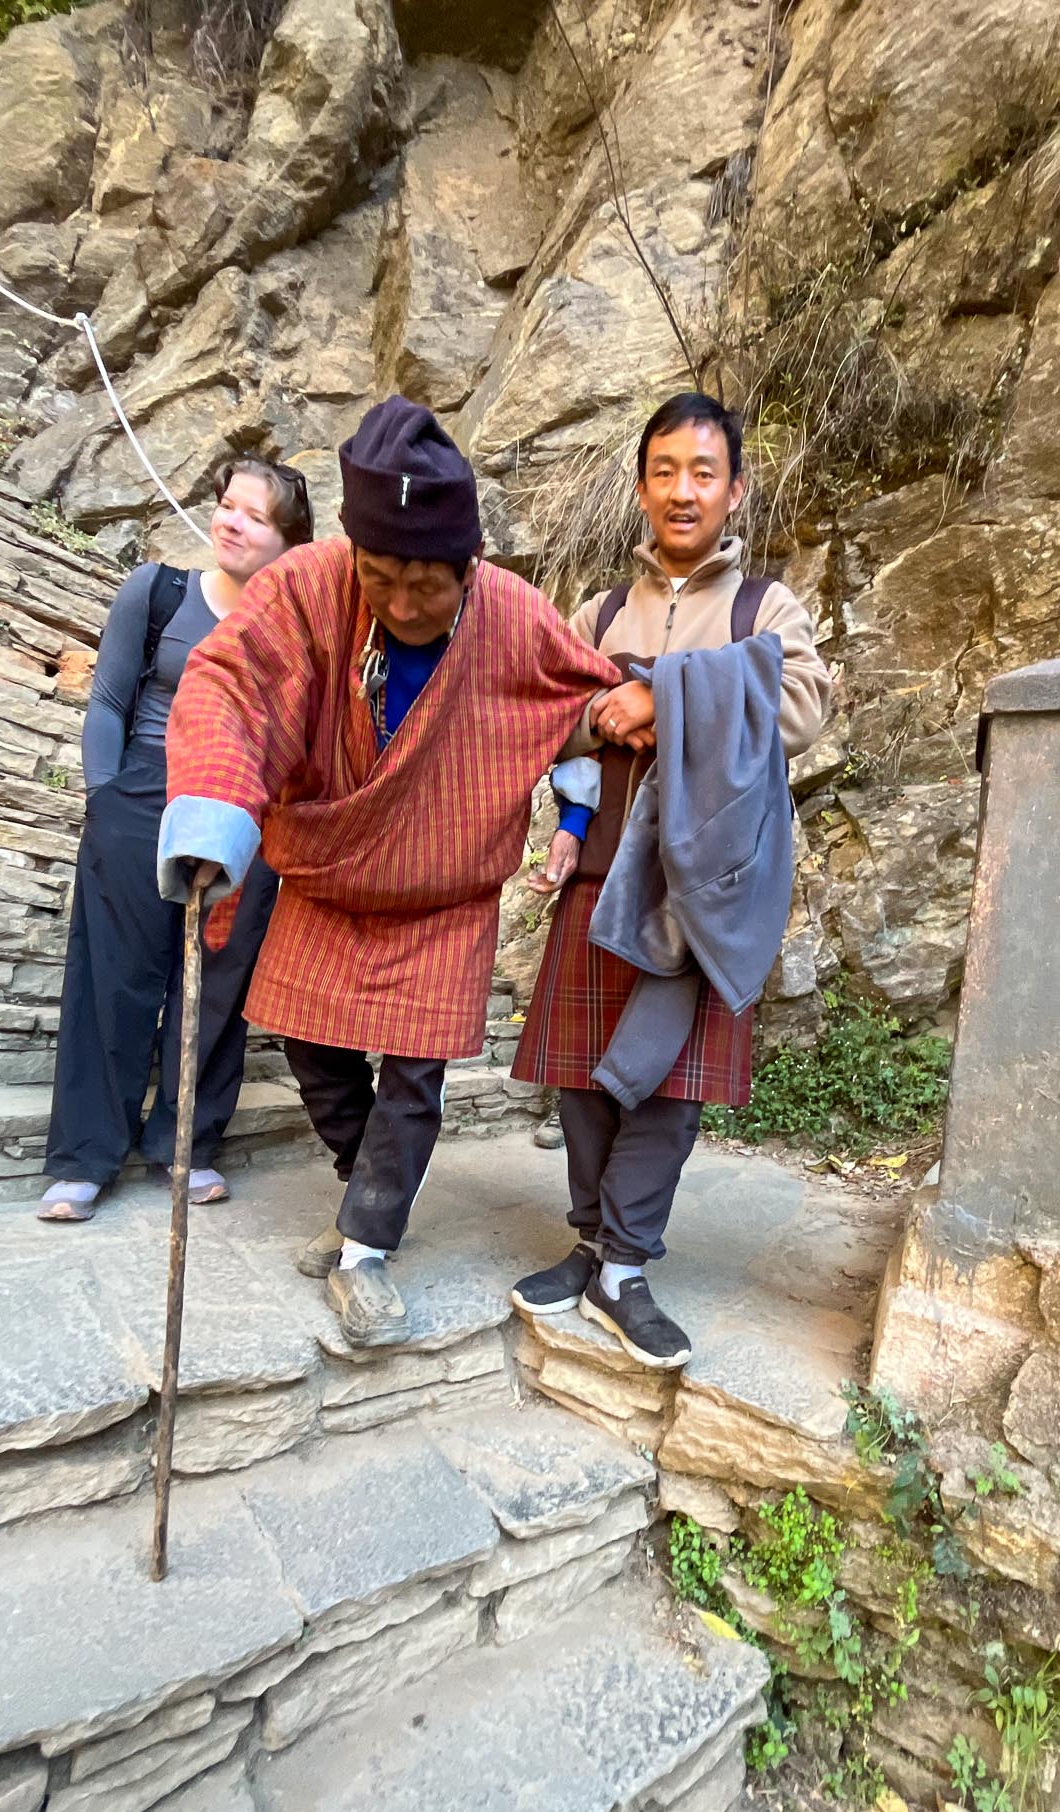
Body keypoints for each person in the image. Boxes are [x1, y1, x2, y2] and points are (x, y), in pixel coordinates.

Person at [159, 396, 619, 1343]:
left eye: (426, 585)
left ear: (469, 563)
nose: (402, 606)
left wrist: (580, 806)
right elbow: (232, 688)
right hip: (330, 871)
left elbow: (583, 705)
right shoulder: (307, 587)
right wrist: (212, 810)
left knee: (413, 1077)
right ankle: (359, 1191)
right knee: (312, 1053)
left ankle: (366, 1248)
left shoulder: (513, 614)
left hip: (445, 889)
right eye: (381, 579)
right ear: (354, 553)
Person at [510, 391, 833, 1368]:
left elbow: (802, 708)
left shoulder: (764, 608)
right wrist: (601, 717)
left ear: (736, 490)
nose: (683, 490)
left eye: (704, 472)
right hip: (604, 861)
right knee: (581, 1075)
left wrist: (666, 697)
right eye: (665, 471)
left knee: (665, 1086)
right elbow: (545, 714)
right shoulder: (601, 612)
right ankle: (587, 1241)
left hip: (699, 880)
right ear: (642, 486)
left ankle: (624, 1266)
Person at [38, 458, 315, 1223]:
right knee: (115, 975)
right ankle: (86, 1154)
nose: (232, 522)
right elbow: (108, 700)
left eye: (256, 516)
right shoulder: (158, 592)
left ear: (289, 542)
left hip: (243, 809)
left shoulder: (295, 635)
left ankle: (184, 1143)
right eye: (228, 505)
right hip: (141, 793)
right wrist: (104, 797)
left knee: (216, 983)